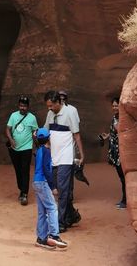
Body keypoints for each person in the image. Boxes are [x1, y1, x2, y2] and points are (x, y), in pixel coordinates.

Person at [43, 90, 84, 233]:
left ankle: (60, 222)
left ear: (58, 102)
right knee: (55, 187)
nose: (49, 108)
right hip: (54, 156)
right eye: (47, 106)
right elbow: (46, 132)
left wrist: (81, 155)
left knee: (62, 189)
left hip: (66, 157)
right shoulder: (50, 114)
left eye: (51, 106)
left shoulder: (71, 112)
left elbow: (76, 135)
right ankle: (71, 215)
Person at [32, 128, 67, 250]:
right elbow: (47, 171)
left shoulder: (39, 150)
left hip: (36, 182)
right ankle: (54, 235)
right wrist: (53, 187)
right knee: (52, 208)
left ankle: (41, 239)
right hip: (43, 182)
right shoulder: (46, 151)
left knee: (42, 211)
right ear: (48, 138)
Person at [5, 95, 38, 206]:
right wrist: (11, 139)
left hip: (26, 148)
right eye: (21, 105)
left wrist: (36, 145)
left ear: (28, 107)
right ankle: (21, 188)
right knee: (18, 170)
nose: (22, 108)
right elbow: (8, 129)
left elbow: (35, 132)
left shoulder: (32, 118)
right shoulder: (13, 116)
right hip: (14, 148)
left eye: (24, 106)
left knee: (25, 170)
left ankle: (24, 194)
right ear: (18, 106)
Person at [99, 97, 126, 208]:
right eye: (113, 105)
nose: (115, 107)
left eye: (116, 105)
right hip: (115, 150)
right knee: (121, 176)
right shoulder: (115, 117)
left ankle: (125, 201)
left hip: (121, 151)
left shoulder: (123, 118)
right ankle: (125, 200)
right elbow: (114, 132)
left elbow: (121, 130)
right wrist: (107, 136)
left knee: (123, 176)